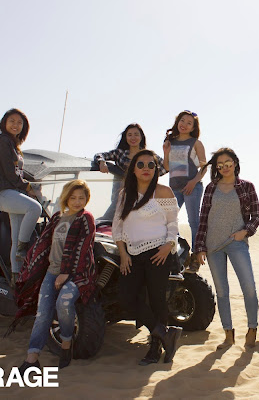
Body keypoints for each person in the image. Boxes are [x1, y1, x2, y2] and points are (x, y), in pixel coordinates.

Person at [15, 180, 97, 373]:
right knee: (42, 314)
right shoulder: (57, 218)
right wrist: (33, 262)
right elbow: (45, 243)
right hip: (52, 272)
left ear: (86, 199)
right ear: (66, 198)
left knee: (63, 303)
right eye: (73, 197)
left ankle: (66, 344)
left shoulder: (85, 218)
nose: (77, 202)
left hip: (78, 273)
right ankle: (32, 359)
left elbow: (82, 248)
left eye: (81, 198)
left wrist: (65, 272)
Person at [113, 149, 182, 365]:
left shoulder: (164, 192)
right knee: (126, 298)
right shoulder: (125, 194)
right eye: (141, 165)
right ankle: (164, 333)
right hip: (131, 254)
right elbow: (118, 226)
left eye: (151, 165)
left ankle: (155, 348)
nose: (146, 169)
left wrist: (168, 246)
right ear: (133, 169)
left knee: (156, 300)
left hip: (158, 253)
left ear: (156, 169)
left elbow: (173, 224)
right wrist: (123, 253)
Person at [194, 148, 259, 349]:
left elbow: (256, 215)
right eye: (220, 165)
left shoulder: (246, 186)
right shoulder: (211, 188)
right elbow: (203, 219)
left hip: (236, 243)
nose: (225, 167)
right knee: (222, 292)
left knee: (249, 287)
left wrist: (245, 232)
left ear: (235, 163)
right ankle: (228, 335)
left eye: (228, 163)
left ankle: (252, 328)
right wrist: (200, 247)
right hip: (213, 246)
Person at [0, 108, 42, 284]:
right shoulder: (2, 140)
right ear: (4, 123)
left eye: (19, 122)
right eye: (12, 121)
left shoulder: (14, 145)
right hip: (2, 191)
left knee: (16, 236)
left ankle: (16, 277)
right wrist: (27, 186)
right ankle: (23, 248)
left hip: (13, 192)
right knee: (34, 208)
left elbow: (15, 172)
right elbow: (8, 170)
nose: (16, 125)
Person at [94, 123, 167, 221]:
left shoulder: (147, 155)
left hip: (141, 193)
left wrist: (149, 176)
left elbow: (165, 168)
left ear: (141, 137)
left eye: (136, 134)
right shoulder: (120, 153)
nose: (133, 138)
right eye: (130, 135)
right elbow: (99, 155)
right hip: (121, 193)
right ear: (125, 137)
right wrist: (102, 162)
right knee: (110, 218)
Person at [162, 110, 207, 252]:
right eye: (182, 121)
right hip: (174, 187)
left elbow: (204, 167)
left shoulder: (196, 143)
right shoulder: (170, 142)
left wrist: (193, 182)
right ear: (177, 122)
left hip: (192, 187)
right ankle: (179, 250)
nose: (184, 124)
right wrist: (166, 152)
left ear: (193, 128)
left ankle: (196, 253)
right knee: (167, 220)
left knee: (193, 221)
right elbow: (167, 167)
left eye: (189, 123)